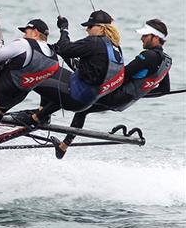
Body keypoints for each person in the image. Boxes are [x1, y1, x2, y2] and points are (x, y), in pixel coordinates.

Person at [51, 19, 172, 159]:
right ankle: (63, 147)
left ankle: (41, 118)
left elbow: (122, 75)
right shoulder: (166, 60)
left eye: (145, 35)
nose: (142, 38)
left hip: (115, 96)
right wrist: (138, 92)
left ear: (155, 37)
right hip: (126, 100)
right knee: (83, 110)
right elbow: (164, 89)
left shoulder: (148, 56)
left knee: (76, 91)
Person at [14, 9, 125, 127]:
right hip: (86, 99)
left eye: (90, 26)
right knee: (50, 70)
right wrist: (57, 50)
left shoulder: (94, 42)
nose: (87, 29)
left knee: (28, 75)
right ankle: (39, 116)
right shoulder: (114, 46)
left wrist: (64, 29)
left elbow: (65, 48)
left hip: (74, 97)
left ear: (101, 27)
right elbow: (83, 67)